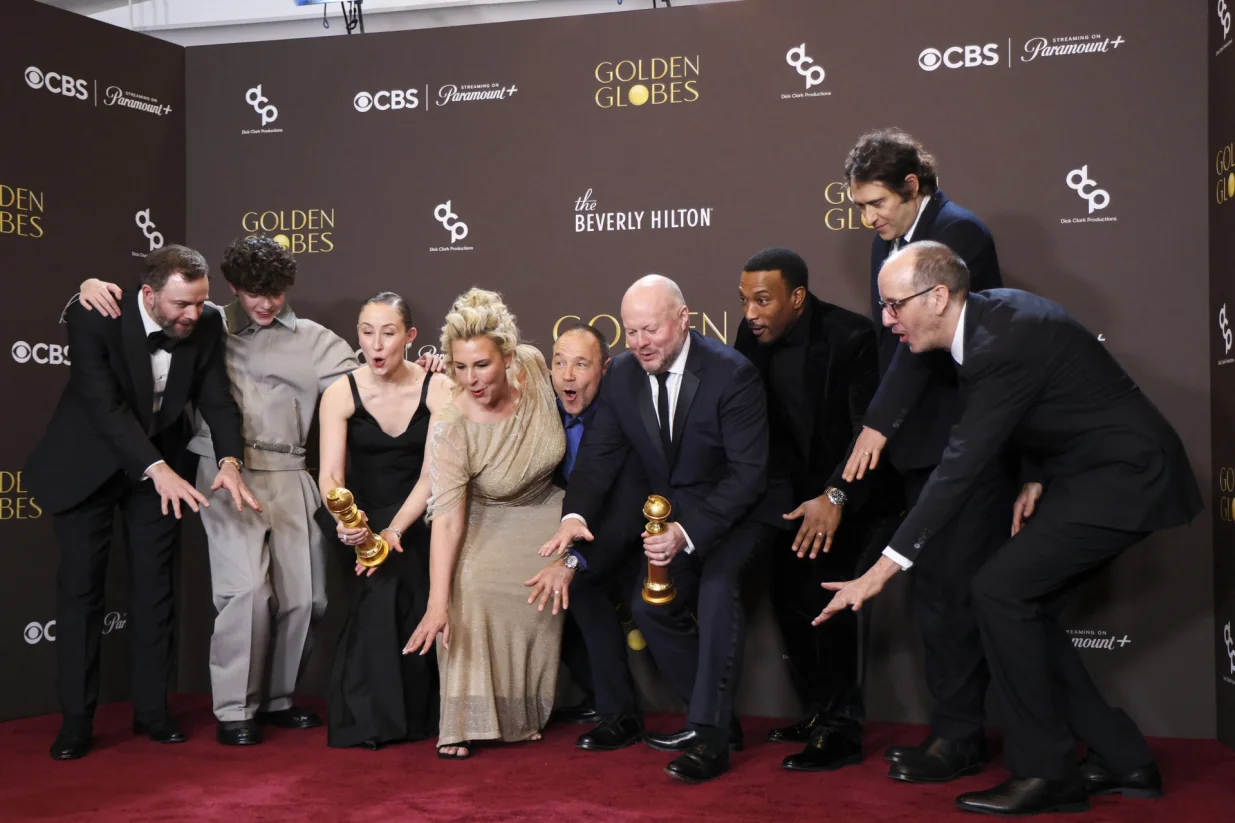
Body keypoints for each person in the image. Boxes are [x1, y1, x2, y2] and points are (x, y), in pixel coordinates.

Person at [823, 241, 1202, 816]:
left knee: (1000, 591)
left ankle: (1046, 774)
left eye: (896, 305)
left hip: (1126, 478)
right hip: (1087, 472)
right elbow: (1051, 402)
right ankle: (1123, 758)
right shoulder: (989, 320)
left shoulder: (999, 344)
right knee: (1017, 600)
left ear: (939, 296)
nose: (886, 319)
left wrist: (881, 570)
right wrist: (1035, 472)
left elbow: (957, 471)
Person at [77, 237, 360, 746]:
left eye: (276, 292)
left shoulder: (318, 339)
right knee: (246, 591)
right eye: (255, 291)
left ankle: (278, 699)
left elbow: (370, 384)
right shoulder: (205, 322)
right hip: (224, 467)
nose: (267, 303)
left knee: (307, 597)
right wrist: (87, 285)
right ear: (233, 287)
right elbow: (149, 302)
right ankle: (235, 709)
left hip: (293, 470)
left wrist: (420, 368)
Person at [27, 245, 258, 760]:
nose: (192, 315)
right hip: (89, 466)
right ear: (148, 294)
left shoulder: (207, 323)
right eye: (181, 305)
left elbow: (217, 398)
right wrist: (158, 470)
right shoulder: (95, 315)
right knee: (81, 594)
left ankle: (153, 712)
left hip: (158, 472)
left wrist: (229, 461)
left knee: (156, 591)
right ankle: (76, 723)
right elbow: (103, 406)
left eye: (200, 303)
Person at [541, 275, 774, 784]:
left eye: (651, 330)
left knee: (716, 593)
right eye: (631, 332)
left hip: (738, 514)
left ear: (683, 320)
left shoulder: (731, 374)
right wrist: (574, 518)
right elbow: (598, 460)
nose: (641, 343)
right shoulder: (624, 374)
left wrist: (685, 534)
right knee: (652, 605)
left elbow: (747, 476)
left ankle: (709, 740)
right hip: (676, 518)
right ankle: (715, 721)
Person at [837, 128, 1016, 782]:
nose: (869, 218)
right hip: (922, 451)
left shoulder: (957, 233)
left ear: (912, 186)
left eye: (877, 202)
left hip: (964, 445)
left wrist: (877, 424)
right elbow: (892, 344)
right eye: (860, 206)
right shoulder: (889, 238)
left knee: (955, 595)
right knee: (937, 596)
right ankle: (956, 731)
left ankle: (961, 737)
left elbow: (921, 350)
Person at [733, 248, 902, 772]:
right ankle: (816, 712)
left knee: (826, 599)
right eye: (744, 301)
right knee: (788, 600)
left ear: (798, 297)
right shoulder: (749, 339)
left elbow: (868, 433)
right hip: (787, 496)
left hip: (853, 493)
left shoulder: (851, 337)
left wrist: (835, 498)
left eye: (763, 300)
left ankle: (842, 730)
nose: (751, 314)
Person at [404, 288, 567, 760]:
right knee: (467, 584)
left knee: (545, 580)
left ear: (509, 357)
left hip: (548, 511)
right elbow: (449, 519)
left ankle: (522, 715)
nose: (471, 379)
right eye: (460, 366)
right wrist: (437, 605)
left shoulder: (536, 367)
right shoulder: (452, 423)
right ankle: (463, 721)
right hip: (486, 512)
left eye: (482, 365)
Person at [319, 292, 451, 750]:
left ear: (410, 337)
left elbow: (434, 474)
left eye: (389, 333)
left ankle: (417, 716)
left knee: (402, 575)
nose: (376, 345)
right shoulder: (340, 392)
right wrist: (347, 522)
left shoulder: (439, 388)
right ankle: (369, 718)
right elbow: (332, 475)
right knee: (380, 581)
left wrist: (395, 530)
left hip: (421, 512)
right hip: (361, 514)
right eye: (367, 332)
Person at [525, 323, 649, 751]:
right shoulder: (545, 413)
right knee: (541, 588)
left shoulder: (623, 417)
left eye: (581, 363)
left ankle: (621, 716)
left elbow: (625, 506)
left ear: (606, 369)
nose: (567, 375)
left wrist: (576, 561)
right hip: (570, 532)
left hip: (630, 533)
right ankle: (598, 697)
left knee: (582, 589)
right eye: (559, 362)